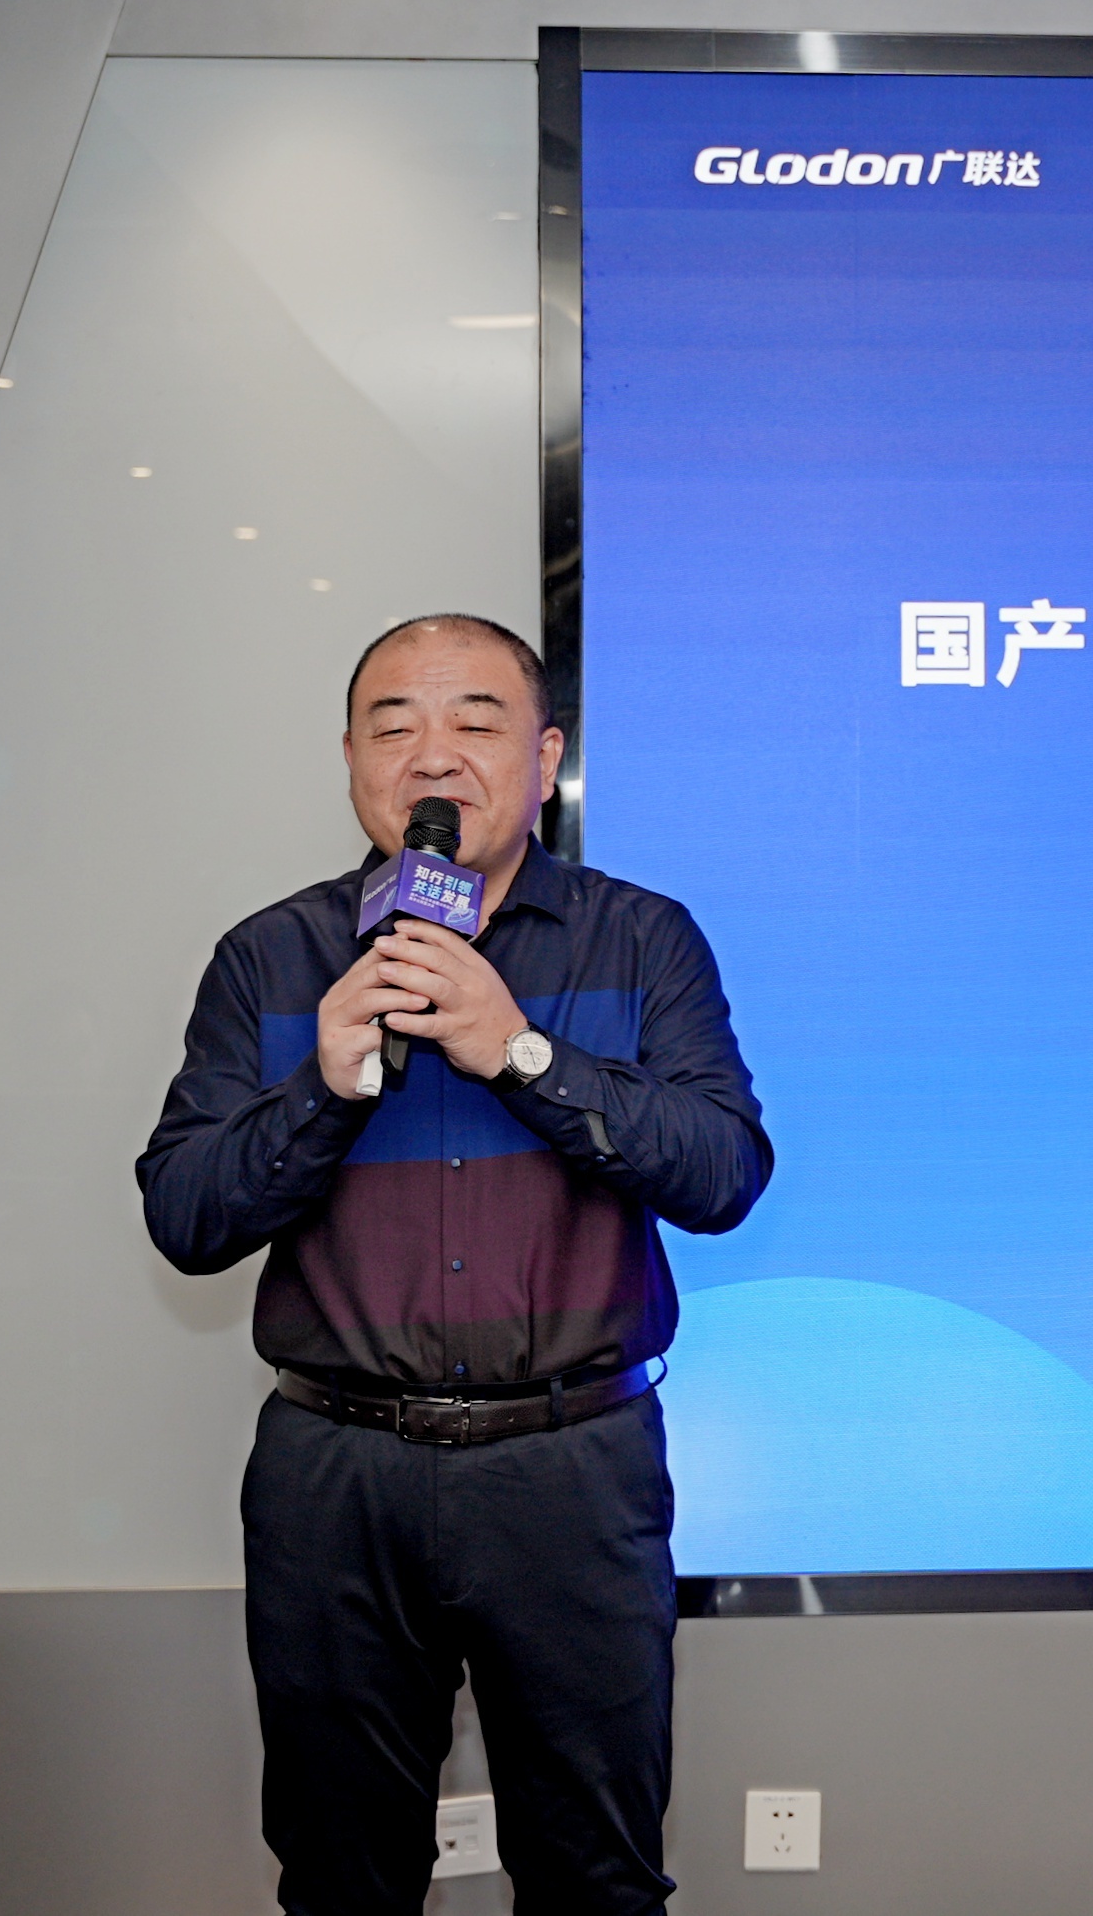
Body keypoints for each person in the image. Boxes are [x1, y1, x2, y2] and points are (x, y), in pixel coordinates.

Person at [140, 612, 770, 1916]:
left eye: (475, 722)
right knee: (339, 1877)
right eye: (395, 725)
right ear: (352, 764)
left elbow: (722, 1172)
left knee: (596, 1880)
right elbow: (186, 1218)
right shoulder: (270, 957)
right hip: (336, 1479)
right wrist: (320, 1086)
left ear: (544, 760)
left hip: (571, 1470)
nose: (433, 755)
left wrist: (520, 1052)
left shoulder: (641, 939)